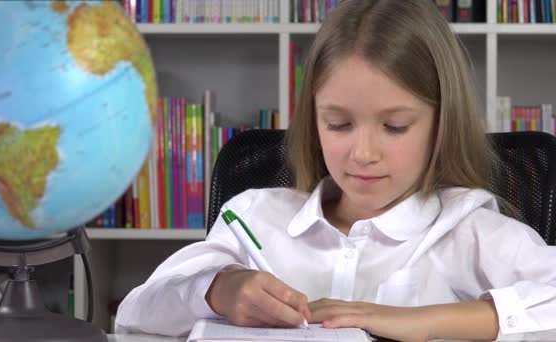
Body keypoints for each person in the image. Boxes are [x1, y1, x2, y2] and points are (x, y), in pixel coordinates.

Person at [115, 0, 556, 341]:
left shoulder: (470, 231)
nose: (362, 153)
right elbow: (135, 315)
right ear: (313, 119)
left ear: (442, 125)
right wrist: (217, 290)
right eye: (339, 124)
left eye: (395, 127)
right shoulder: (253, 217)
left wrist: (418, 323)